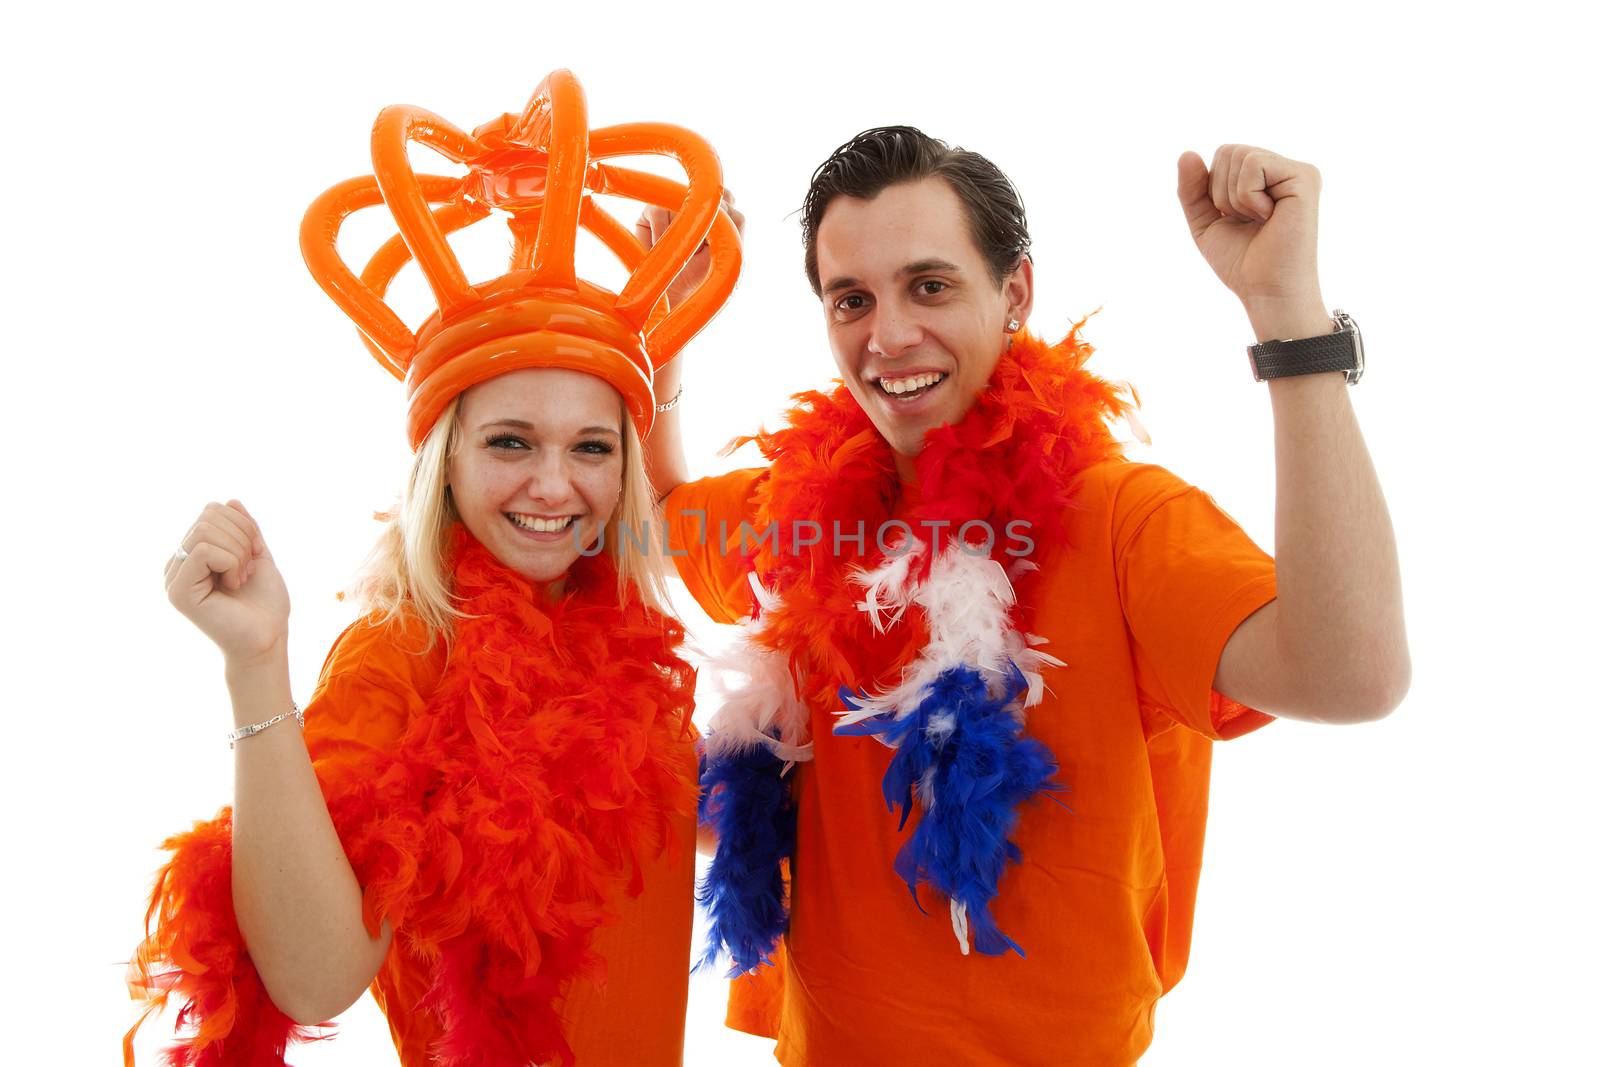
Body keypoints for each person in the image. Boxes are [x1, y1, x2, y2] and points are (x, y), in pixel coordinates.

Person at [646, 128, 1411, 1065]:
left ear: (1015, 295)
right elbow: (655, 516)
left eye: (929, 286)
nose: (887, 337)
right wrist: (669, 339)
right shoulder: (803, 511)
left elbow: (1353, 674)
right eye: (853, 299)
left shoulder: (1123, 518)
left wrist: (1287, 316)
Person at [124, 73, 740, 1067]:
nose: (554, 484)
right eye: (508, 442)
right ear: (441, 460)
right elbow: (316, 976)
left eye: (591, 447)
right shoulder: (399, 656)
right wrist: (256, 662)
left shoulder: (622, 635)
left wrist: (659, 371)